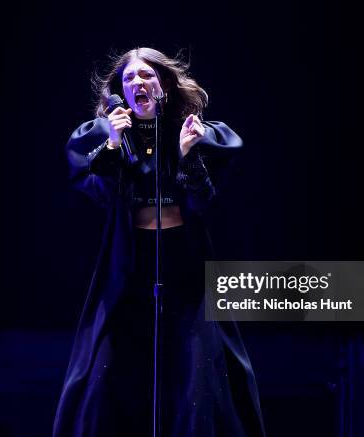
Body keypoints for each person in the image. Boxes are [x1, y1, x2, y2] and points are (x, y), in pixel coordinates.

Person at [54, 47, 265, 437]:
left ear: (164, 83)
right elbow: (102, 194)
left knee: (198, 379)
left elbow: (203, 203)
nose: (137, 83)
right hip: (129, 265)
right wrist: (114, 144)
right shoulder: (107, 135)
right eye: (129, 78)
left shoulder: (190, 131)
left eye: (146, 75)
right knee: (105, 376)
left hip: (184, 264)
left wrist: (187, 156)